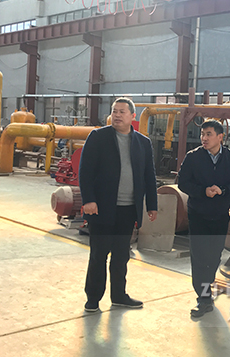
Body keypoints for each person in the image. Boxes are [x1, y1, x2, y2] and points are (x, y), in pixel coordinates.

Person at [79, 97, 158, 312]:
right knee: (99, 254)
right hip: (101, 208)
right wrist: (89, 200)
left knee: (121, 256)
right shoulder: (98, 137)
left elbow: (149, 176)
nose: (117, 115)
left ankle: (119, 296)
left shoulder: (143, 143)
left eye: (122, 112)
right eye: (114, 111)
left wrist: (152, 204)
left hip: (128, 209)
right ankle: (93, 298)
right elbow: (85, 171)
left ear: (133, 116)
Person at [178, 119, 230, 318]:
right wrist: (202, 191)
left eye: (208, 134)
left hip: (220, 215)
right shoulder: (193, 157)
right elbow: (182, 183)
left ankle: (207, 289)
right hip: (198, 215)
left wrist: (223, 190)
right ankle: (203, 298)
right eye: (202, 134)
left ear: (220, 137)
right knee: (199, 256)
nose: (204, 138)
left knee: (214, 255)